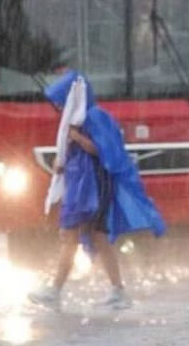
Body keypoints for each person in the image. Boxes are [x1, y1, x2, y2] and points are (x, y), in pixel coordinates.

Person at [28, 70, 166, 310]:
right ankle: (114, 290)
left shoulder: (94, 117)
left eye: (62, 102)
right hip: (80, 188)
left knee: (74, 236)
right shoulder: (76, 120)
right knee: (95, 237)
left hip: (93, 187)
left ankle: (56, 290)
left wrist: (77, 138)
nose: (60, 108)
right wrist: (62, 164)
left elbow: (104, 151)